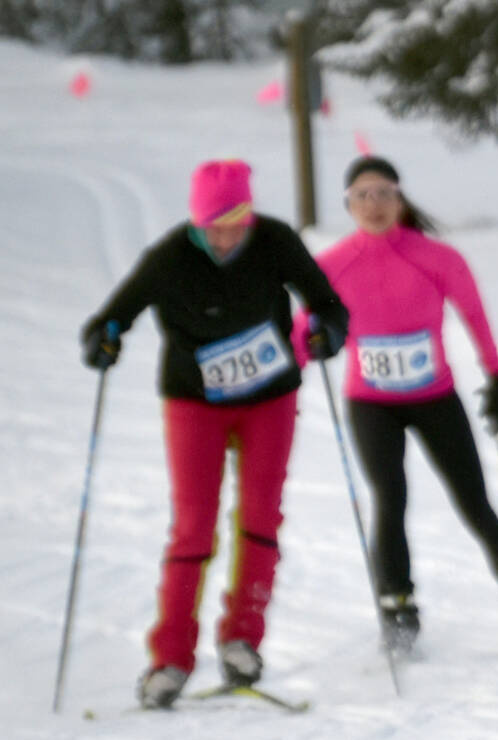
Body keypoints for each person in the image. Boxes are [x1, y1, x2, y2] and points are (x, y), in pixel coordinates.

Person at [80, 159, 348, 709]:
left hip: (270, 396)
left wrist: (330, 330)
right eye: (215, 222)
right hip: (194, 401)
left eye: (238, 218)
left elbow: (326, 302)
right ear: (196, 220)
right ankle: (171, 659)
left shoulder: (273, 240)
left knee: (260, 515)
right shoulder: (169, 257)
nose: (228, 231)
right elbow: (112, 317)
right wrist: (103, 340)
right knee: (194, 526)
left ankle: (242, 638)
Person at [304, 155, 498, 656]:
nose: (375, 204)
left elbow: (475, 315)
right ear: (348, 205)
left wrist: (496, 377)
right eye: (362, 196)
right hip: (371, 404)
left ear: (400, 198)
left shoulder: (436, 257)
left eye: (384, 193)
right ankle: (397, 612)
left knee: (475, 504)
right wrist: (307, 352)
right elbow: (307, 331)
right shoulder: (333, 265)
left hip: (435, 398)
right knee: (390, 499)